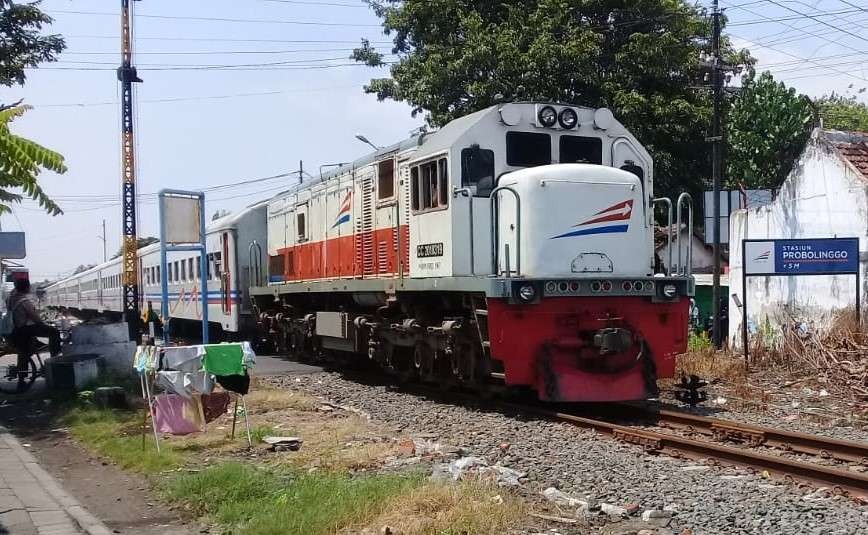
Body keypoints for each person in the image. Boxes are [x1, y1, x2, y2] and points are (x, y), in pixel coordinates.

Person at [6, 279, 61, 374]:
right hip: (26, 329)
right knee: (54, 332)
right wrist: (44, 324)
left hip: (16, 330)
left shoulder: (10, 299)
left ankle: (22, 376)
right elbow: (35, 318)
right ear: (27, 288)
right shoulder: (24, 301)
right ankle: (54, 360)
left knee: (24, 352)